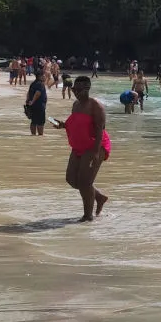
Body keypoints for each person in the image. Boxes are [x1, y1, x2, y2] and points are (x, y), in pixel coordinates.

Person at [52, 76, 109, 222]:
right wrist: (63, 125)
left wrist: (95, 153)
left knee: (85, 182)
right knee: (71, 179)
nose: (75, 92)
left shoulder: (96, 106)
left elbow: (99, 131)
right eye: (73, 89)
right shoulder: (76, 104)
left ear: (87, 89)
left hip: (95, 145)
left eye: (78, 90)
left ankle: (87, 216)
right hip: (79, 145)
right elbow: (77, 123)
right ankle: (98, 197)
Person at [26, 71, 48, 136]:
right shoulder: (41, 84)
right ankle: (40, 136)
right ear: (40, 76)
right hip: (39, 105)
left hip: (33, 106)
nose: (45, 77)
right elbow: (38, 93)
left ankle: (33, 135)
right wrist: (32, 101)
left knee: (34, 121)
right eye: (44, 76)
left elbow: (28, 92)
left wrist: (28, 101)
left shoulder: (33, 83)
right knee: (40, 122)